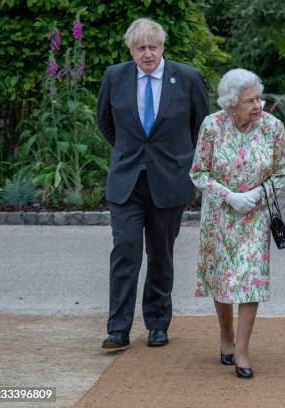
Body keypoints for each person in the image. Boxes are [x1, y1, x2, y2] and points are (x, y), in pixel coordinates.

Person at [97, 18, 209, 351]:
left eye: (153, 47)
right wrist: (131, 152)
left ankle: (158, 324)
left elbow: (201, 127)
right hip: (127, 180)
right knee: (125, 251)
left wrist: (180, 159)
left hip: (169, 180)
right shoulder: (114, 77)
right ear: (131, 49)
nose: (148, 54)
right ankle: (118, 329)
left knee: (161, 255)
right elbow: (105, 122)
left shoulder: (186, 78)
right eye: (140, 47)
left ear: (162, 47)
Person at [190, 69, 285, 379]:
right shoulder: (212, 125)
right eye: (250, 100)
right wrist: (229, 196)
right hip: (220, 213)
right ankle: (226, 337)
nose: (258, 105)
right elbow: (199, 173)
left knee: (250, 280)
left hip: (256, 215)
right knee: (222, 278)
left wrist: (259, 193)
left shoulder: (273, 127)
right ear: (231, 103)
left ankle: (242, 351)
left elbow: (281, 171)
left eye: (259, 97)